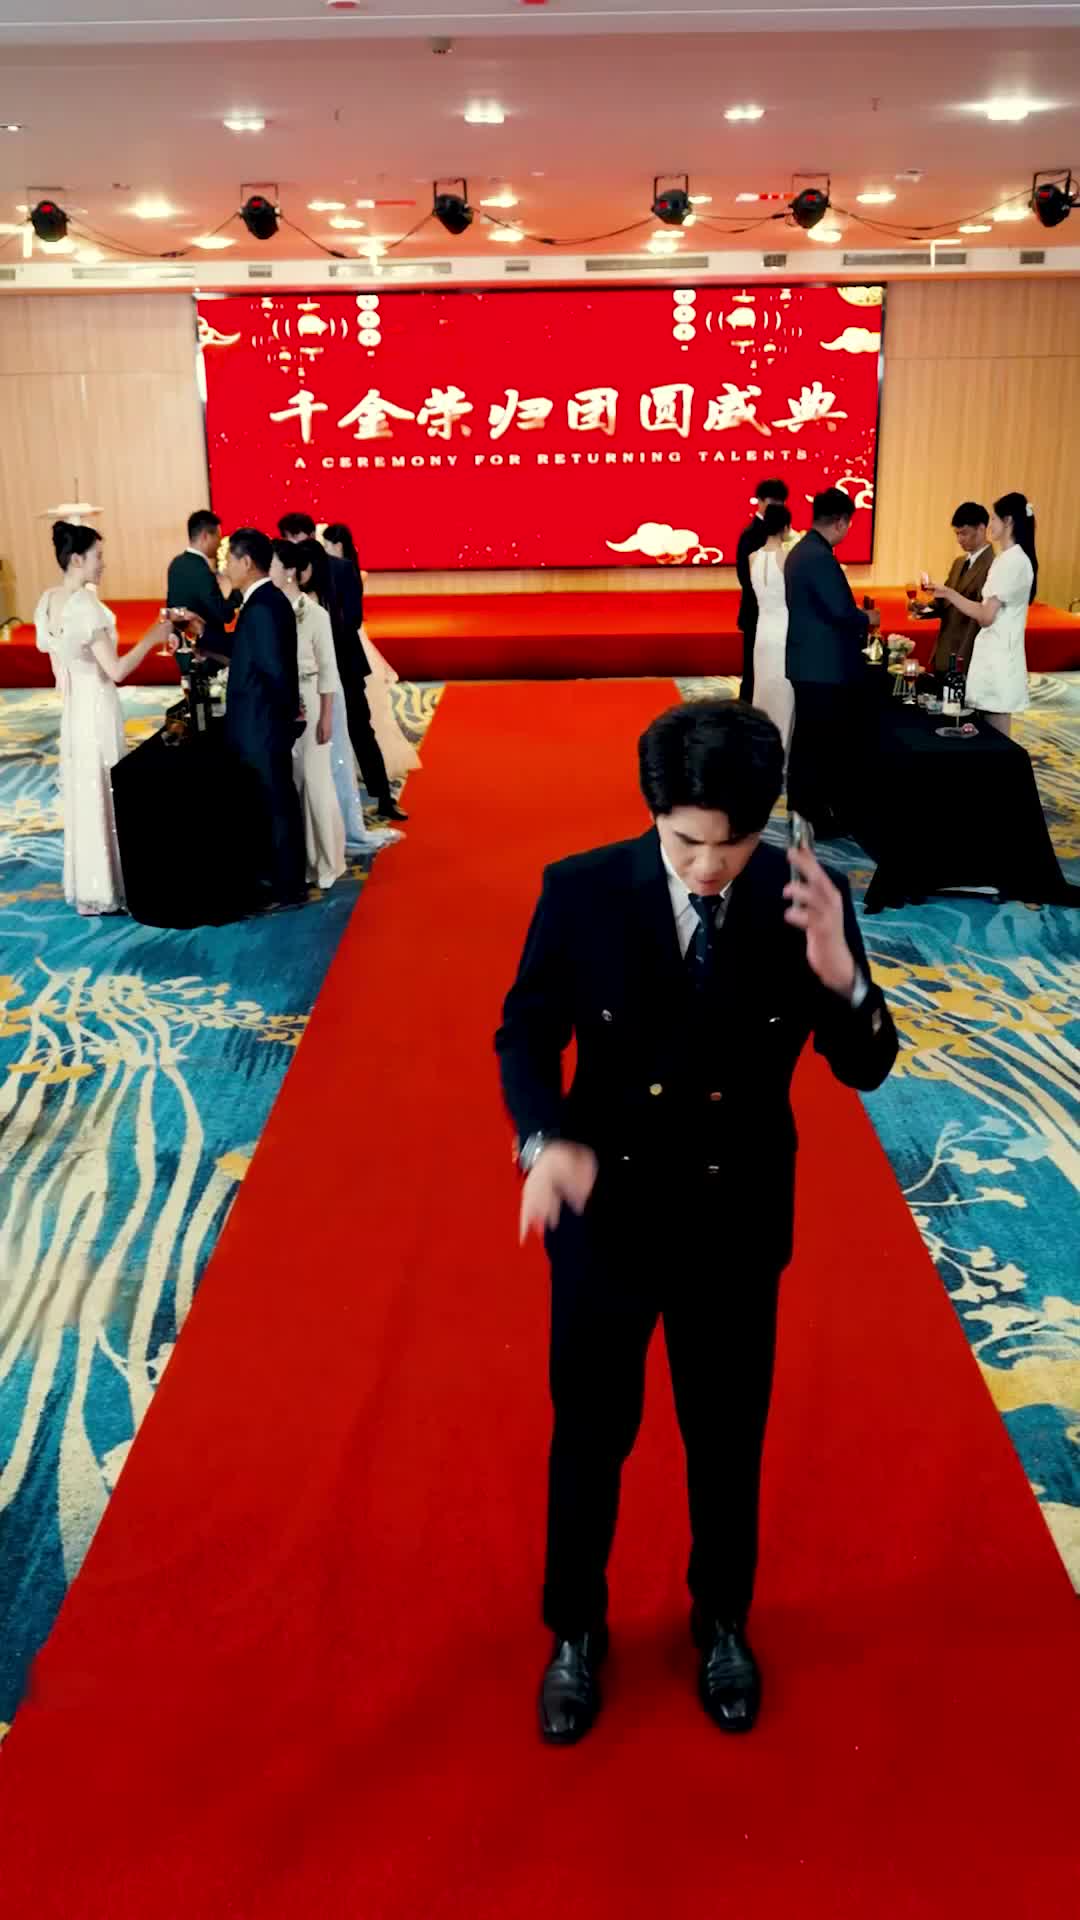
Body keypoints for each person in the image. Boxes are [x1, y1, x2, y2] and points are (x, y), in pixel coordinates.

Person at [496, 701, 897, 1747]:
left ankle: (722, 1619)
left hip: (734, 1218)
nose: (710, 867)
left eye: (734, 842)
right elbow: (525, 1031)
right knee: (591, 1434)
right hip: (608, 1213)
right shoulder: (583, 891)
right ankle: (575, 1627)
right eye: (685, 843)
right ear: (653, 812)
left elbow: (864, 1065)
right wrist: (543, 1139)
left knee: (727, 1437)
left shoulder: (803, 897)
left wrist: (842, 977)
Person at [34, 522, 171, 915]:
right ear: (77, 559)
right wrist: (153, 636)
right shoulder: (85, 606)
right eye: (98, 556)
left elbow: (59, 669)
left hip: (74, 710)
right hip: (96, 706)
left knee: (85, 791)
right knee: (105, 786)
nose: (103, 564)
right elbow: (117, 670)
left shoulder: (48, 601)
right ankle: (109, 885)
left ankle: (90, 886)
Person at [187, 527, 306, 906]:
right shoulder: (263, 601)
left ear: (247, 562)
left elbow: (273, 671)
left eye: (228, 560)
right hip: (261, 723)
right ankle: (279, 879)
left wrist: (285, 721)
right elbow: (246, 650)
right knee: (270, 801)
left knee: (276, 803)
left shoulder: (264, 606)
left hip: (264, 724)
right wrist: (203, 637)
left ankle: (288, 886)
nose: (224, 567)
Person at [278, 512, 407, 825]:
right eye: (286, 538)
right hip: (309, 671)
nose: (289, 543)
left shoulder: (342, 568)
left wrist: (321, 637)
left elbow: (354, 618)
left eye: (293, 537)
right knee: (315, 737)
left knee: (361, 731)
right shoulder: (288, 573)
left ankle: (383, 798)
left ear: (307, 535)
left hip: (345, 664)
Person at [784, 487, 878, 838]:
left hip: (807, 662)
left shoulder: (802, 551)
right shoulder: (819, 557)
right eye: (849, 524)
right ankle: (815, 818)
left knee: (807, 741)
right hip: (822, 666)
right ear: (840, 522)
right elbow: (840, 612)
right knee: (820, 744)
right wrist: (868, 618)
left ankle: (802, 812)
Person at [269, 540, 346, 892]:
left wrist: (326, 716)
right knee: (294, 782)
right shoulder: (271, 610)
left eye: (272, 564)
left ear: (289, 571)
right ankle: (305, 861)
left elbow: (328, 669)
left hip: (311, 700)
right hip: (281, 703)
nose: (268, 570)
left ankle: (329, 861)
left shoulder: (315, 614)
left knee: (316, 782)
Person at [928, 491, 1036, 737]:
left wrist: (949, 593)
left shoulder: (1011, 561)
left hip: (998, 655)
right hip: (994, 653)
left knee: (994, 732)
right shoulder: (1011, 559)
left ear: (1008, 521)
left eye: (994, 519)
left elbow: (986, 616)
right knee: (987, 729)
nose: (991, 525)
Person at [323, 521, 421, 786]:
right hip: (350, 640)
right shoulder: (344, 570)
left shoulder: (348, 571)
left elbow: (351, 615)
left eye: (327, 544)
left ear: (337, 545)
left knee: (361, 709)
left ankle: (367, 767)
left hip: (350, 641)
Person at [735, 476, 789, 703]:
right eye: (772, 502)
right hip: (756, 612)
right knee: (753, 672)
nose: (776, 507)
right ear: (760, 501)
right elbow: (744, 577)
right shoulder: (750, 534)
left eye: (781, 502)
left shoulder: (782, 538)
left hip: (777, 616)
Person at [749, 502, 794, 758]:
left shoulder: (752, 558)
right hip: (783, 632)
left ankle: (760, 751)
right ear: (785, 527)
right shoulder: (786, 558)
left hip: (762, 632)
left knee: (763, 691)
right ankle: (781, 757)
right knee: (784, 696)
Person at [930, 504, 994, 674]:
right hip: (945, 647)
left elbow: (984, 611)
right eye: (957, 534)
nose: (959, 539)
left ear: (981, 529)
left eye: (964, 533)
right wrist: (924, 608)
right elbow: (945, 603)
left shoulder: (993, 565)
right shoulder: (959, 563)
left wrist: (948, 593)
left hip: (968, 649)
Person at [165, 510, 241, 653]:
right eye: (218, 537)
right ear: (205, 536)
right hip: (205, 650)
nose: (219, 543)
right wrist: (239, 589)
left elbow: (171, 608)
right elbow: (223, 614)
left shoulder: (176, 564)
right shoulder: (201, 570)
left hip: (182, 648)